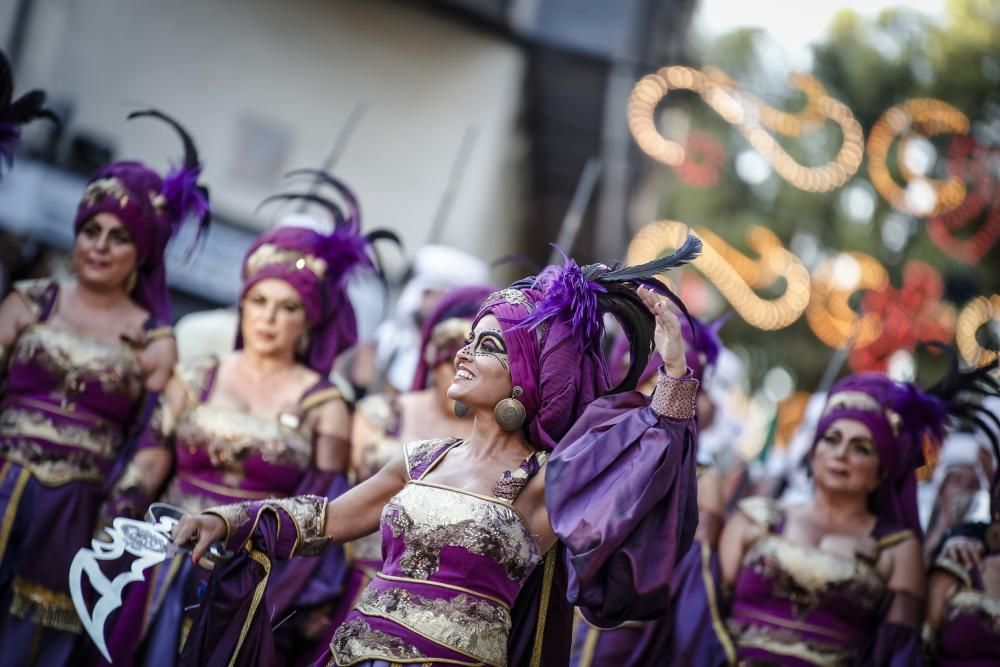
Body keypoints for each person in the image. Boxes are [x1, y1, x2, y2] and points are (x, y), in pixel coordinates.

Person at [173, 238, 704, 666]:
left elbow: (645, 465)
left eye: (490, 346)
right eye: (470, 340)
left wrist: (675, 374)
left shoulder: (549, 482)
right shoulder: (420, 458)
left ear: (530, 378)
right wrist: (229, 521)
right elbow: (326, 519)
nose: (466, 354)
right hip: (353, 655)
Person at [99, 175, 394, 666]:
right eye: (258, 302)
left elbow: (323, 507)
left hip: (256, 582)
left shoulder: (326, 405)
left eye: (288, 307)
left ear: (309, 320)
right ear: (242, 305)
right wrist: (112, 538)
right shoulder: (195, 378)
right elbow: (146, 469)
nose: (268, 318)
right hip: (162, 565)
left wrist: (281, 595)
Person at [0, 109, 209, 666]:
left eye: (118, 237)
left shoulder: (153, 339)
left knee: (32, 639)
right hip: (0, 475)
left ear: (141, 254)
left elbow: (151, 440)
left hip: (77, 507)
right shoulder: (30, 300)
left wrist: (118, 509)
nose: (99, 245)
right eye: (90, 230)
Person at [675, 355, 998, 666]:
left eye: (862, 448)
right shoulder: (754, 517)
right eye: (831, 439)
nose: (841, 454)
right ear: (813, 452)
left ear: (882, 470)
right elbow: (704, 616)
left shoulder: (898, 549)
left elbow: (895, 653)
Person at [331, 285, 495, 638]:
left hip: (441, 616)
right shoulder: (379, 415)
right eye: (451, 360)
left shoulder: (494, 443)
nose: (460, 373)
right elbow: (335, 499)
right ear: (434, 358)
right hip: (350, 589)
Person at [570, 314, 728, 667]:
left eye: (660, 384)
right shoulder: (582, 454)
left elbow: (690, 587)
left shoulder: (702, 480)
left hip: (636, 642)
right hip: (559, 623)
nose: (645, 396)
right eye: (638, 380)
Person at [924, 374, 1000, 665]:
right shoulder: (962, 553)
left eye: (971, 483)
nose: (963, 490)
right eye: (956, 481)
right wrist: (946, 528)